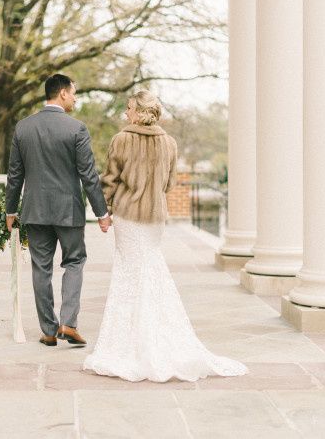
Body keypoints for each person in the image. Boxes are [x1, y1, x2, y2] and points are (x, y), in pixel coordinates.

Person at [83, 90, 247, 382]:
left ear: (141, 111)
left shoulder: (121, 139)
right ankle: (157, 338)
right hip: (154, 219)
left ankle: (130, 344)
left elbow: (109, 180)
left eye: (130, 108)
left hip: (128, 217)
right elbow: (170, 184)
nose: (126, 113)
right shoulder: (169, 143)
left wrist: (104, 212)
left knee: (128, 275)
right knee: (151, 270)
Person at [4, 73, 112, 348]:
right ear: (62, 93)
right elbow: (88, 175)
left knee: (41, 268)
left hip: (35, 210)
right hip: (69, 211)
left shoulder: (23, 128)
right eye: (74, 93)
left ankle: (49, 331)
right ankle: (69, 323)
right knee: (74, 262)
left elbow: (14, 175)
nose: (75, 98)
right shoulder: (76, 129)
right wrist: (102, 213)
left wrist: (10, 211)